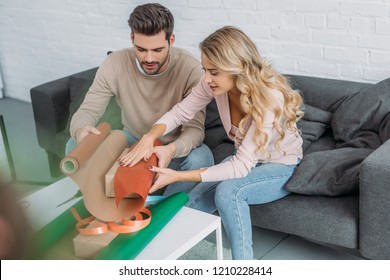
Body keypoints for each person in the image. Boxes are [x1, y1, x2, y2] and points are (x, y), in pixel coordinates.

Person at [120, 26, 304, 260]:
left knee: (229, 191)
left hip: (281, 166)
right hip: (247, 161)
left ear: (236, 68)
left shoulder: (269, 98)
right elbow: (180, 113)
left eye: (214, 72)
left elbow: (240, 168)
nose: (207, 79)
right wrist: (148, 137)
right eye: (205, 69)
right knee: (187, 211)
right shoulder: (215, 85)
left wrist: (176, 176)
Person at [68, 3, 214, 196]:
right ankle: (106, 200)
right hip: (131, 140)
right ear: (131, 38)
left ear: (171, 40)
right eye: (141, 49)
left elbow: (194, 130)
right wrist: (80, 131)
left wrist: (171, 149)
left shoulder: (191, 69)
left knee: (202, 158)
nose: (149, 58)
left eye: (158, 50)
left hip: (169, 148)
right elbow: (87, 110)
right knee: (73, 146)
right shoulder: (115, 63)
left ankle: (161, 209)